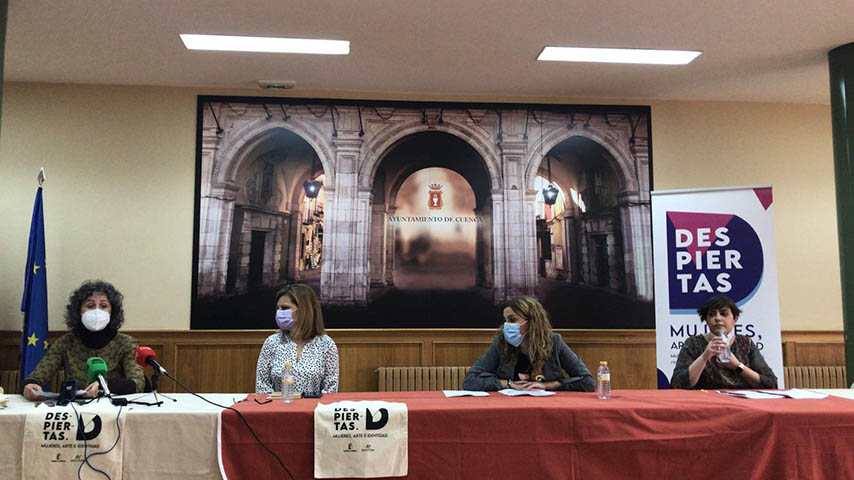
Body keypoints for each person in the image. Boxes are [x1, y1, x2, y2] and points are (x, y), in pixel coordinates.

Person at [23, 280, 145, 400]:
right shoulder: (66, 342)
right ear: (79, 311)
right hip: (74, 410)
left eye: (103, 306)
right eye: (90, 306)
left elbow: (138, 383)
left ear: (112, 312)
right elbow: (38, 375)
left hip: (114, 410)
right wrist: (31, 384)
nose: (97, 311)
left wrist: (106, 384)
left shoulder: (126, 343)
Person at [462, 296, 594, 392]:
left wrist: (547, 385)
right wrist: (508, 384)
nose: (507, 325)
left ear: (532, 322)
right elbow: (470, 381)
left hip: (547, 408)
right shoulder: (501, 344)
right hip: (509, 409)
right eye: (505, 320)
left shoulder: (555, 342)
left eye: (512, 320)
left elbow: (587, 381)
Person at [670, 295, 778, 389]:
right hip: (706, 402)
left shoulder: (746, 343)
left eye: (724, 314)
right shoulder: (693, 343)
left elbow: (771, 384)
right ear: (706, 320)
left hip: (742, 404)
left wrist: (738, 366)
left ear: (735, 319)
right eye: (712, 314)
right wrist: (704, 357)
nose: (717, 318)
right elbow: (677, 384)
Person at [255, 283, 339, 394]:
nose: (279, 312)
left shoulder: (326, 344)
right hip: (277, 409)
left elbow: (330, 390)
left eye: (285, 308)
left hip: (312, 409)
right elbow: (262, 386)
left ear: (303, 310)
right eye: (277, 308)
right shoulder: (272, 342)